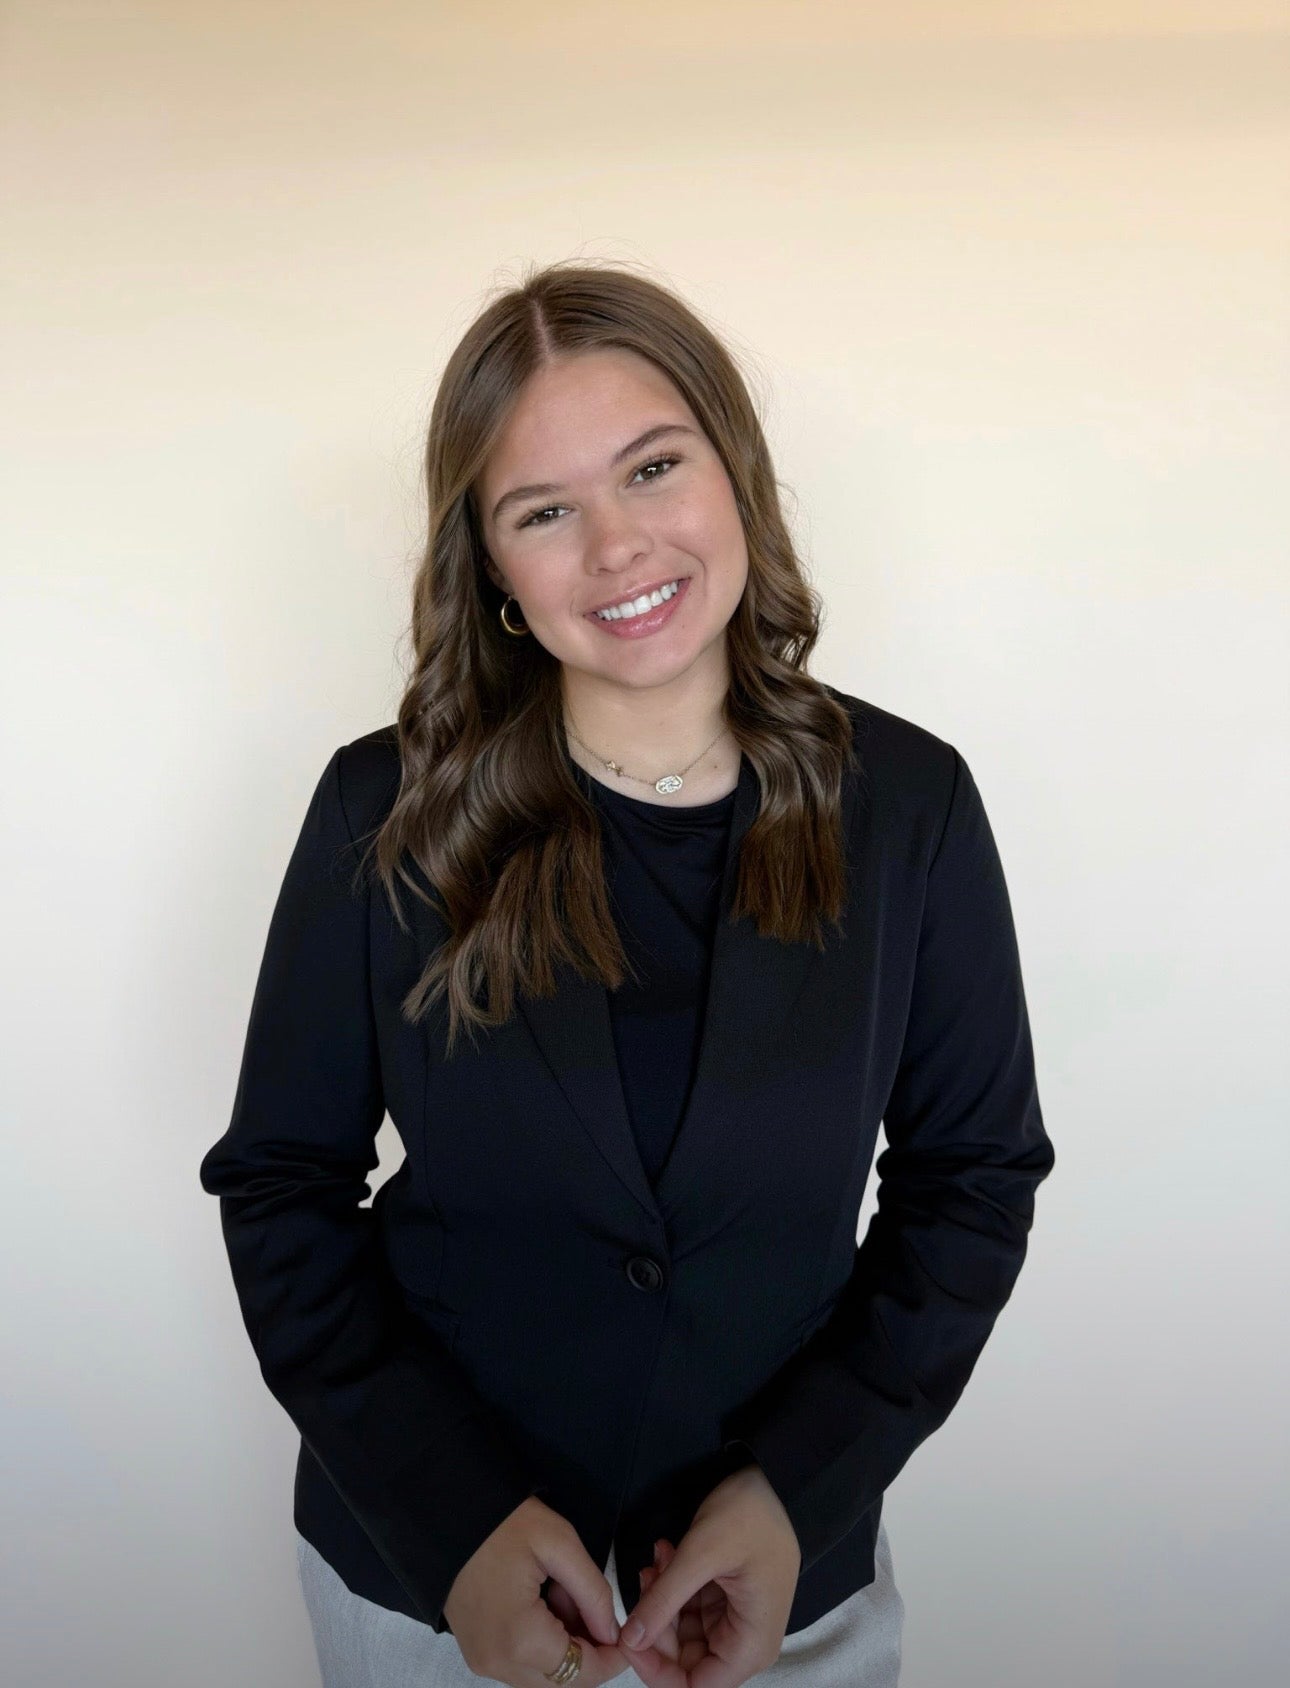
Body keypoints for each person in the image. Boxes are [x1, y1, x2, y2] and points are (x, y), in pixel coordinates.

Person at [199, 260, 1055, 1687]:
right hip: (426, 1593)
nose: (616, 547)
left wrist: (797, 1492)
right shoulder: (379, 810)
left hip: (784, 1591)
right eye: (544, 511)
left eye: (652, 468)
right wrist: (452, 1524)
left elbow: (970, 1182)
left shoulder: (910, 805)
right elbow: (283, 1188)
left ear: (734, 471)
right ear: (490, 570)